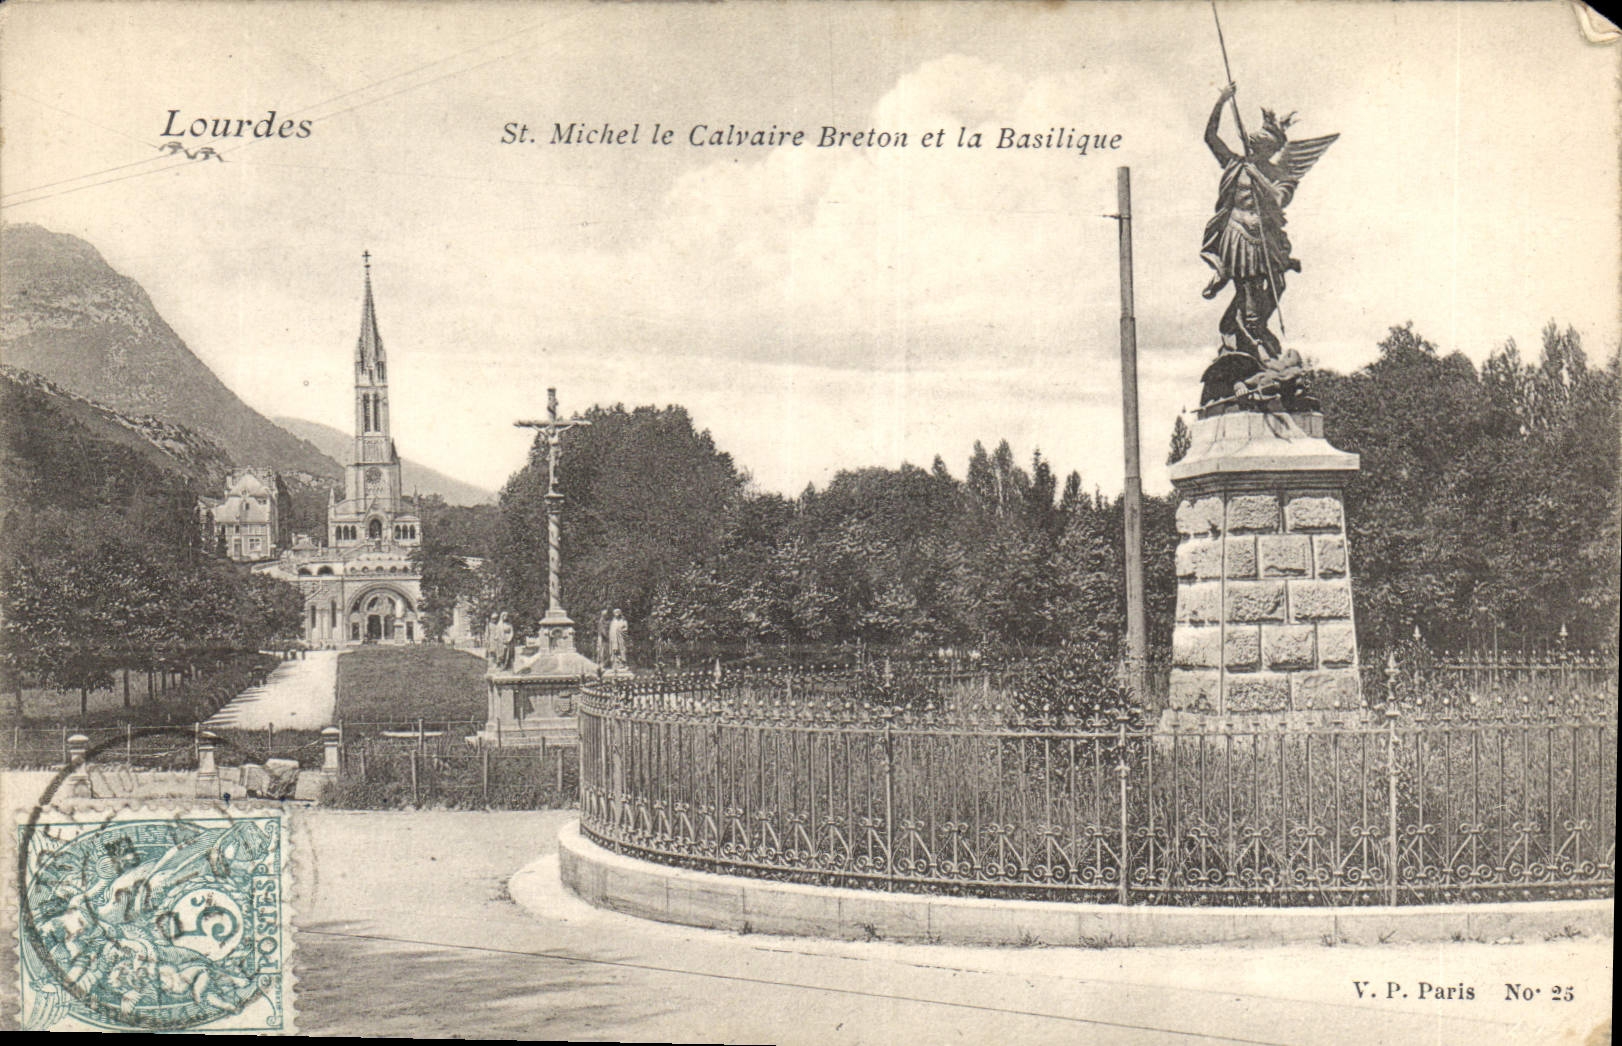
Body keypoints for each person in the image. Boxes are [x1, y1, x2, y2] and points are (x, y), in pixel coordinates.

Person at [1199, 82, 1337, 360]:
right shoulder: (1235, 164)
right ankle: (1254, 343)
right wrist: (1222, 101)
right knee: (1249, 291)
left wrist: (1257, 175)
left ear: (1269, 150)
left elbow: (1278, 199)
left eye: (1260, 147)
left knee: (1277, 287)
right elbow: (1210, 136)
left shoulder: (1279, 175)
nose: (1254, 148)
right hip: (1238, 236)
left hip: (1265, 240)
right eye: (1253, 144)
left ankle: (1249, 332)